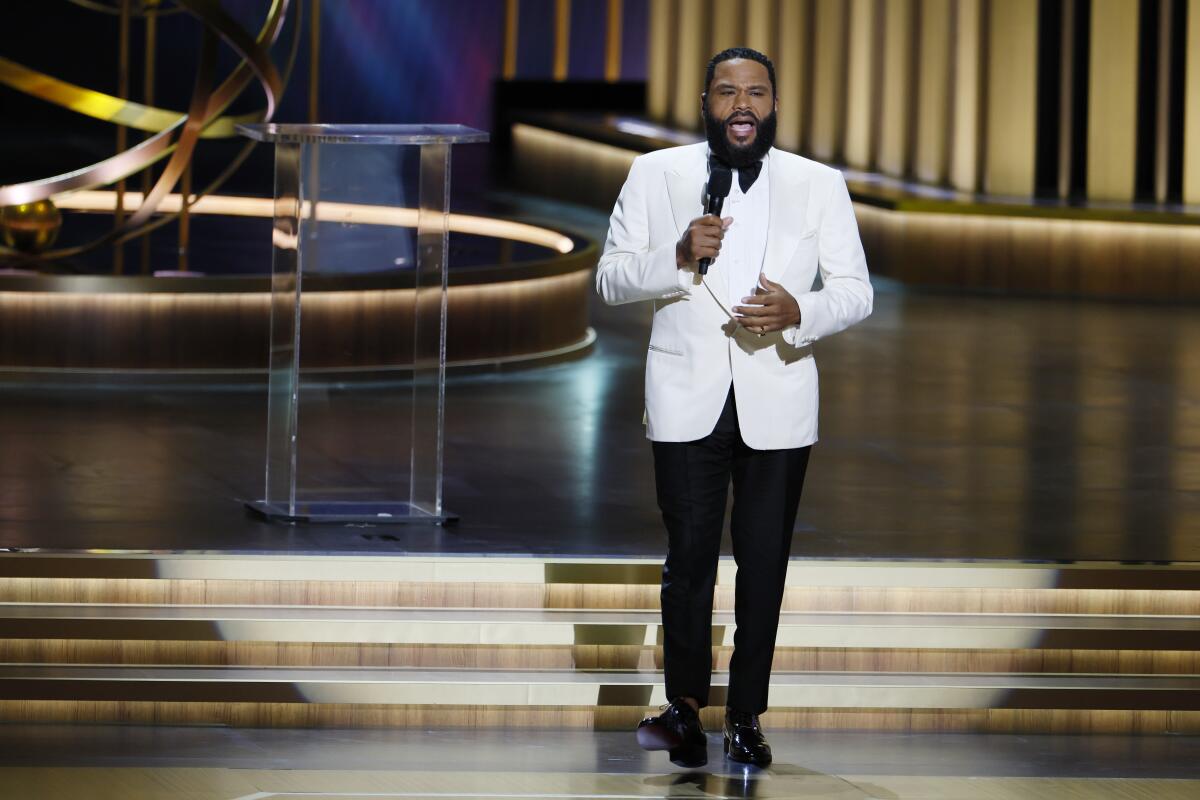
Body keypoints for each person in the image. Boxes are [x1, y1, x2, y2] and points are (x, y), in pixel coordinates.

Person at [595, 47, 873, 768]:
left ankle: (746, 713)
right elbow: (610, 279)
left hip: (777, 397)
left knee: (763, 561)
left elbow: (855, 290)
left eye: (756, 92)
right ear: (705, 102)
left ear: (774, 104)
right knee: (687, 559)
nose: (742, 104)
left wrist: (798, 310)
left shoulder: (820, 184)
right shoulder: (655, 175)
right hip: (686, 395)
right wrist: (677, 254)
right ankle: (684, 707)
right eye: (727, 92)